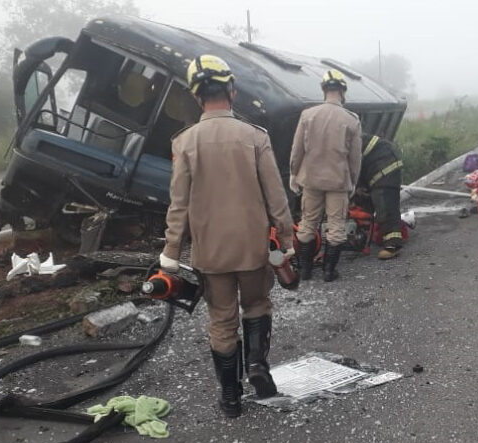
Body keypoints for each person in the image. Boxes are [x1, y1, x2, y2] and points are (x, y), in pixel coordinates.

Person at [160, 55, 295, 418]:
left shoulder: (184, 143)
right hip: (253, 249)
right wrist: (285, 240)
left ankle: (231, 399)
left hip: (211, 255)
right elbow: (276, 195)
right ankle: (257, 366)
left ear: (196, 95)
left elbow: (179, 204)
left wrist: (171, 251)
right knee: (257, 305)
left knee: (221, 320)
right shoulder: (255, 137)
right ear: (232, 90)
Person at [290, 69, 363, 282]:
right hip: (338, 182)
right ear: (343, 91)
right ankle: (329, 272)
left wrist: (294, 174)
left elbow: (296, 151)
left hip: (310, 180)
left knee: (307, 223)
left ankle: (304, 271)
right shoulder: (351, 120)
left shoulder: (307, 115)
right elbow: (355, 159)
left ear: (324, 90)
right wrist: (353, 182)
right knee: (336, 226)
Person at [355, 134, 404, 260]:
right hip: (381, 160)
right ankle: (365, 236)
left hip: (383, 163)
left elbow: (352, 169)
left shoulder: (340, 143)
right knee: (375, 202)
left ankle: (393, 245)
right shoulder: (344, 135)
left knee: (385, 205)